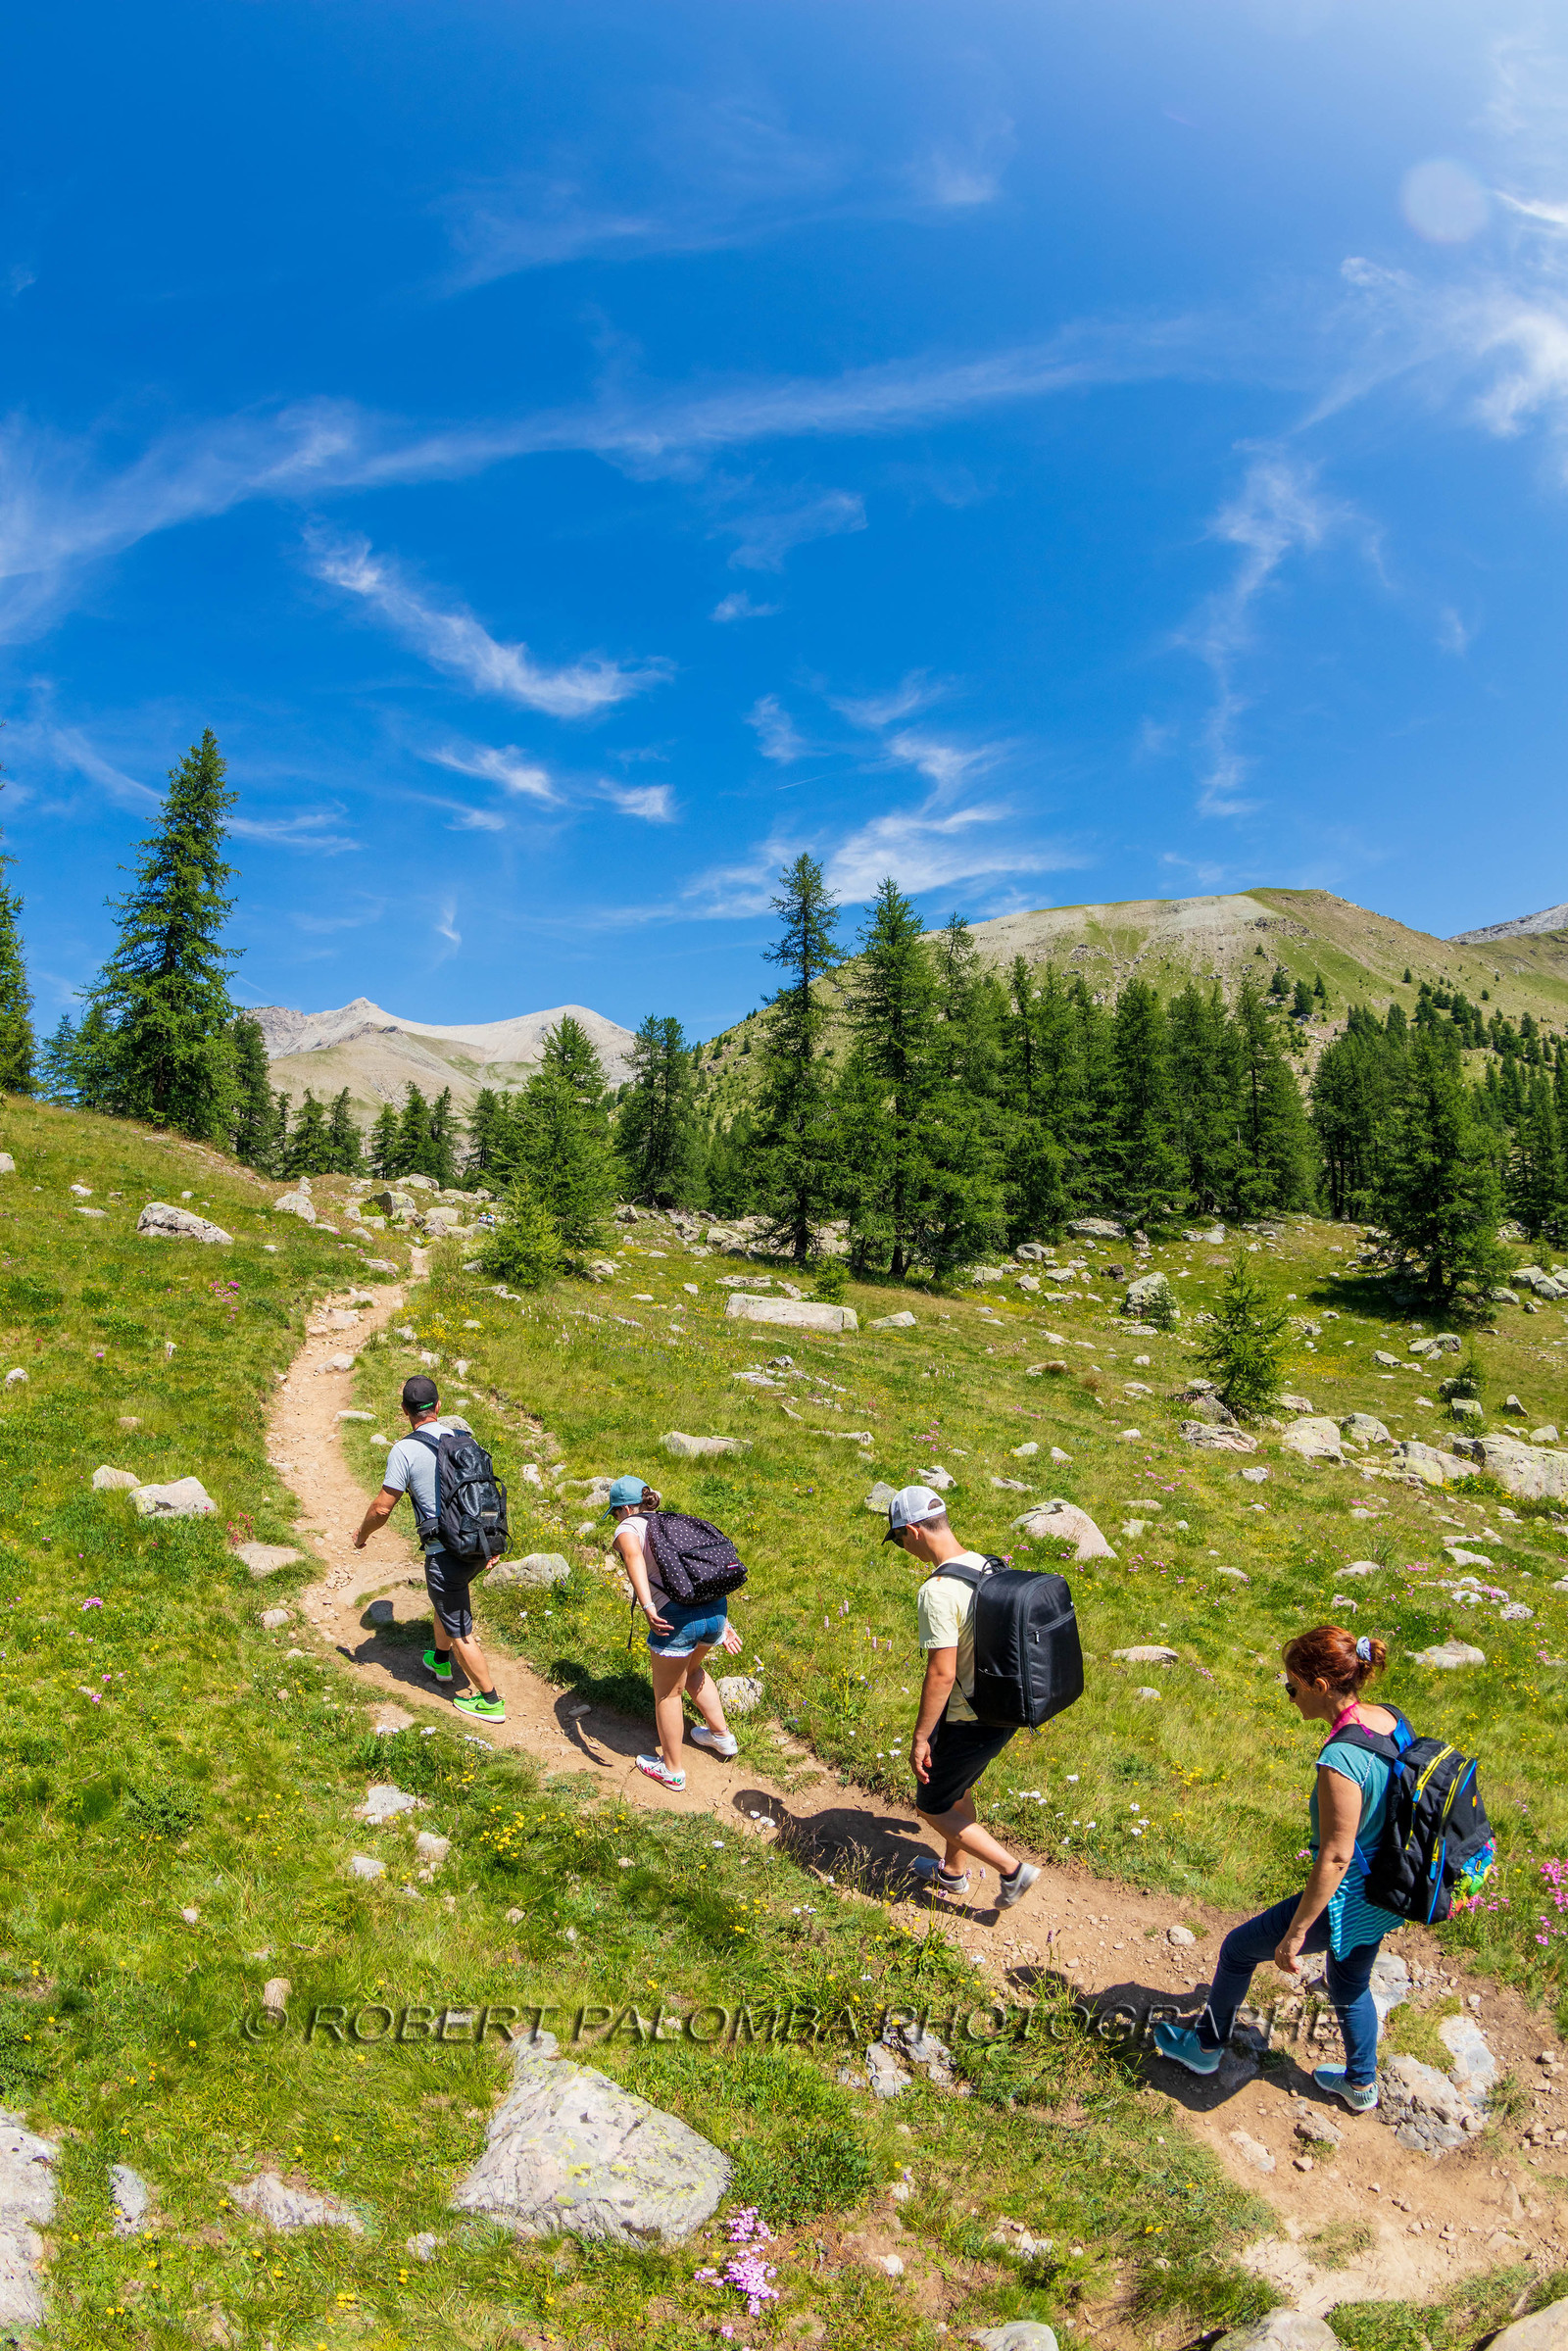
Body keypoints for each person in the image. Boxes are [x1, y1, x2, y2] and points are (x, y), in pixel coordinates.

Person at [1153, 1625, 1405, 2112]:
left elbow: (1336, 1856)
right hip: (1387, 1890)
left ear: (1320, 1685)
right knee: (1350, 1984)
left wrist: (1296, 1933)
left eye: (1292, 1686)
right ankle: (1359, 2083)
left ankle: (1205, 2046)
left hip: (1348, 1898)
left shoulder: (1341, 1758)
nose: (1289, 1697)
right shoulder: (1391, 1720)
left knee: (1239, 1948)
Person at [886, 1485, 1041, 1911]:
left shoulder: (937, 1591)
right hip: (1003, 1707)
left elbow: (942, 1671)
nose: (902, 1547)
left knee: (933, 1805)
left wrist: (921, 1737)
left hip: (967, 1718)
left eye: (899, 1538)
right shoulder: (988, 1565)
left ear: (913, 1530)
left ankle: (1013, 1871)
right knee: (959, 1787)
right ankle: (953, 1873)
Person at [352, 1374, 506, 1725]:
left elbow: (381, 1509)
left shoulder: (404, 1449)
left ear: (405, 1410)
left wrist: (361, 1536)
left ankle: (490, 1699)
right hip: (478, 1544)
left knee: (460, 1627)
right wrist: (490, 1540)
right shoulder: (465, 1439)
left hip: (446, 1551)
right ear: (439, 1406)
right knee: (447, 1601)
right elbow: (483, 1493)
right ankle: (439, 1659)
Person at [608, 1475, 743, 1790]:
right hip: (714, 1610)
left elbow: (632, 1557)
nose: (614, 1519)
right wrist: (724, 1624)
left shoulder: (629, 1527)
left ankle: (672, 1770)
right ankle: (722, 1738)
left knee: (668, 1694)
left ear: (626, 1508)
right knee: (693, 1670)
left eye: (614, 1512)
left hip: (675, 1618)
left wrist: (647, 1606)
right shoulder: (674, 1522)